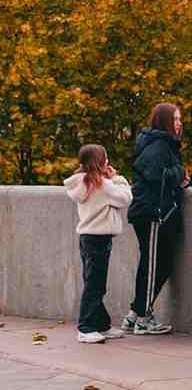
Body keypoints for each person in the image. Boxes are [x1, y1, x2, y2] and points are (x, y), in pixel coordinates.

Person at [123, 103, 189, 335]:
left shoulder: (158, 142)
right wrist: (180, 173)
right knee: (153, 267)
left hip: (152, 211)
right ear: (164, 121)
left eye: (180, 119)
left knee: (155, 265)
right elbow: (154, 174)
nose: (179, 123)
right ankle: (143, 318)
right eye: (176, 119)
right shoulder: (160, 144)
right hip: (152, 213)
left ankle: (135, 314)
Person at [64, 144, 133, 344]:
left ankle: (101, 324)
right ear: (100, 162)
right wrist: (117, 178)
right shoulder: (103, 184)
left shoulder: (84, 183)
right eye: (106, 158)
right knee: (95, 285)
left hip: (87, 237)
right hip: (99, 239)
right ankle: (85, 327)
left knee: (94, 282)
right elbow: (125, 197)